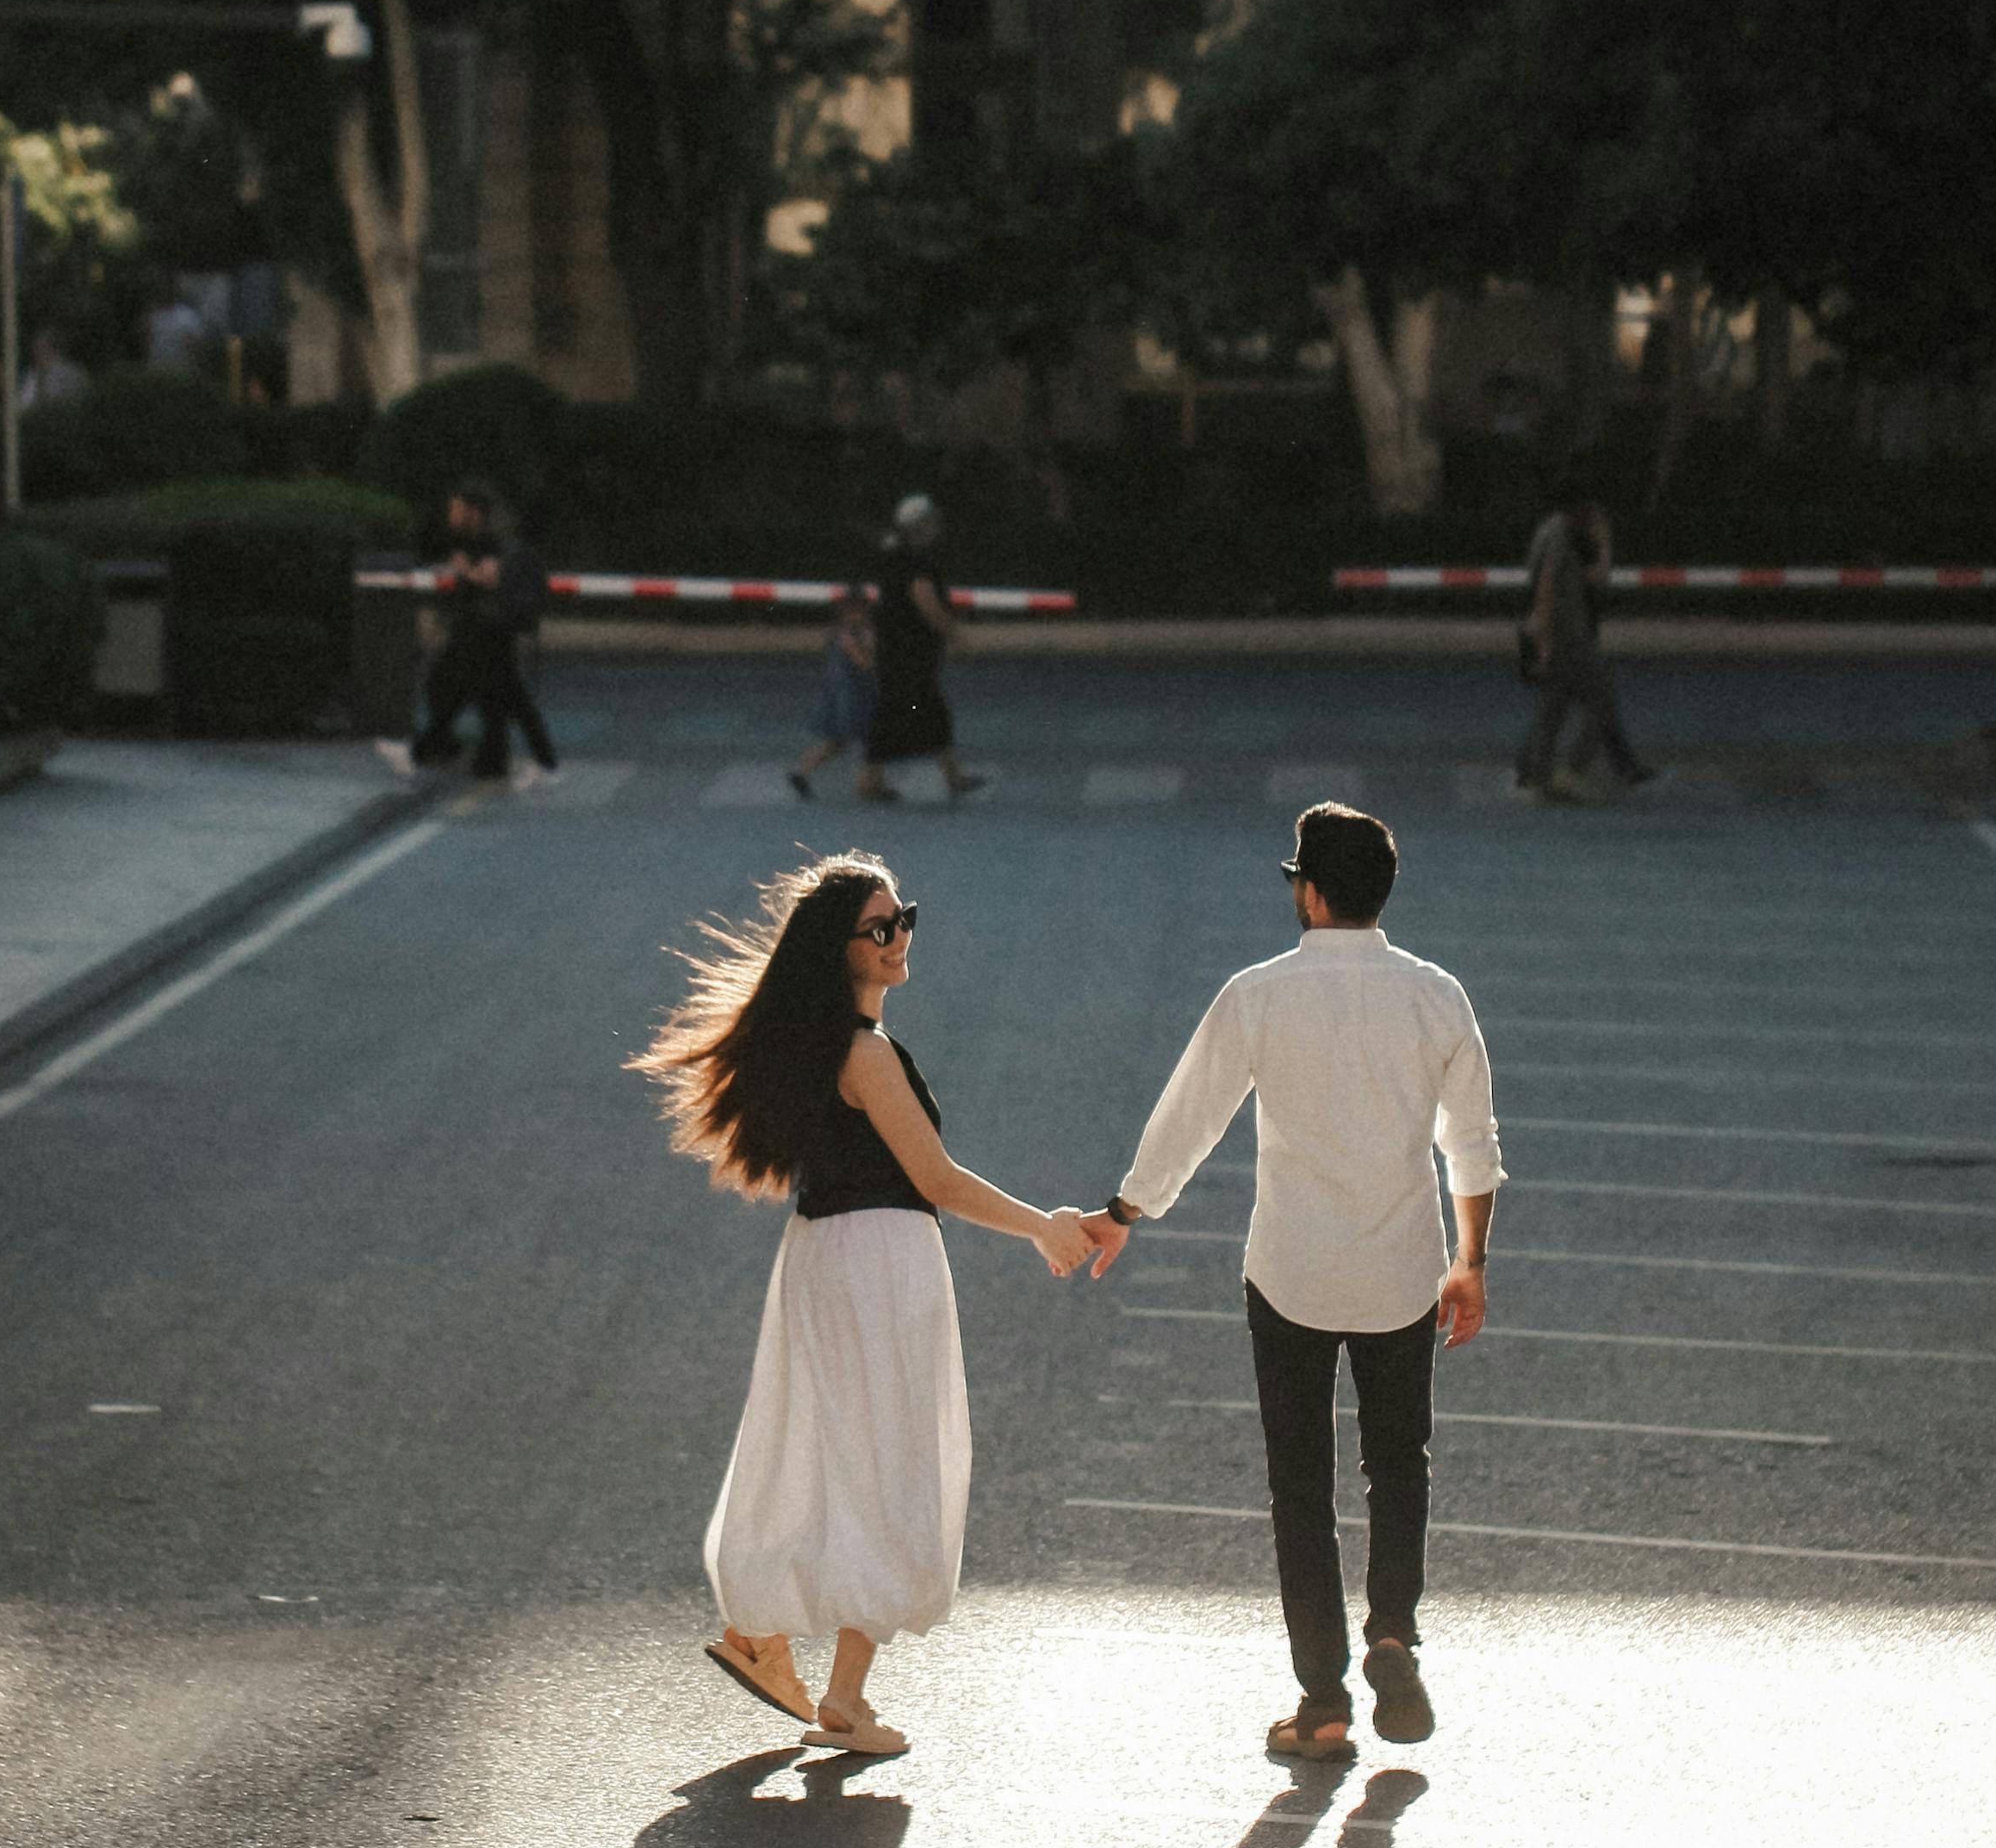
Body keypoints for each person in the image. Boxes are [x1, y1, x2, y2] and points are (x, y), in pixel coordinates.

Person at [633, 857, 1094, 1758]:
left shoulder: (819, 1045)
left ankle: (778, 1646)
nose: (898, 937)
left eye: (902, 918)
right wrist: (1044, 1227)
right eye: (879, 928)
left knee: (836, 1456)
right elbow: (935, 1179)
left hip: (824, 1258)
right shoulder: (863, 1052)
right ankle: (828, 1685)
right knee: (893, 1468)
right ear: (838, 951)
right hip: (879, 1262)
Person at [1087, 801, 1502, 1766]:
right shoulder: (1435, 995)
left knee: (1299, 1486)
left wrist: (1124, 1209)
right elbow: (1471, 1149)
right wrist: (1468, 1261)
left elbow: (1189, 1116)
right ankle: (1391, 1631)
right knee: (1398, 1464)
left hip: (1288, 1274)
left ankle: (1320, 1703)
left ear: (1310, 893)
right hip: (1401, 1270)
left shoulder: (1257, 994)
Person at [380, 485, 557, 789]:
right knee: (500, 698)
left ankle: (420, 752)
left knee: (470, 693)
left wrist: (466, 572)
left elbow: (491, 578)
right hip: (485, 632)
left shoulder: (492, 544)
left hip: (486, 632)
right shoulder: (476, 542)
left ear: (473, 512)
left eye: (456, 509)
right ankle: (522, 762)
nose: (451, 515)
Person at [1520, 475, 1651, 799]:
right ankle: (1572, 769)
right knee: (1601, 699)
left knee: (1554, 704)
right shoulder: (1563, 535)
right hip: (1568, 633)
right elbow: (1556, 583)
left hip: (1556, 630)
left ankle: (1539, 776)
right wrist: (1604, 543)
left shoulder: (1550, 531)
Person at [858, 494, 987, 806]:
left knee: (922, 710)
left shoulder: (893, 555)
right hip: (910, 653)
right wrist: (954, 633)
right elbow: (925, 599)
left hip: (895, 649)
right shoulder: (918, 561)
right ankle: (869, 781)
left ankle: (949, 776)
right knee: (906, 711)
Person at [788, 578, 877, 800]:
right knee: (871, 738)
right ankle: (867, 785)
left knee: (837, 741)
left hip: (842, 692)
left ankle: (801, 770)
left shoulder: (841, 632)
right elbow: (863, 662)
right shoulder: (852, 634)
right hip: (856, 695)